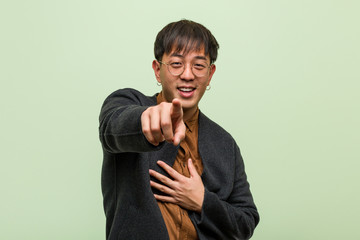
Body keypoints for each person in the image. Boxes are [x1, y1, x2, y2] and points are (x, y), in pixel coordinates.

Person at [99, 19, 259, 240]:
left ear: (210, 74)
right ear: (158, 70)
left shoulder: (225, 143)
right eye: (176, 64)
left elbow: (246, 221)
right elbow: (112, 128)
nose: (187, 74)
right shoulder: (127, 102)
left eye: (199, 65)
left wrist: (203, 200)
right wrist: (146, 118)